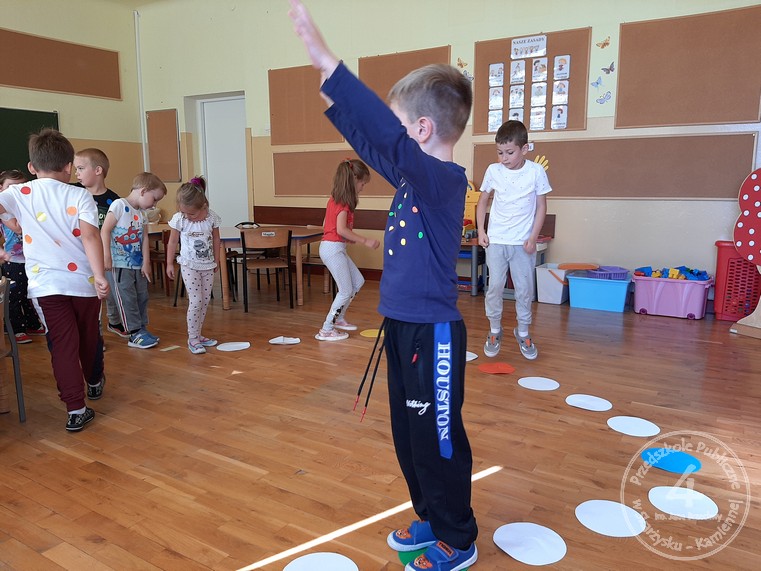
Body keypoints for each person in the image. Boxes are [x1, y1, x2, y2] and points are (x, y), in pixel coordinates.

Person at [288, 2, 478, 570]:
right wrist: (334, 95)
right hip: (399, 325)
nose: (394, 137)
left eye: (401, 125)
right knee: (409, 434)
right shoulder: (413, 176)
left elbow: (388, 146)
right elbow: (375, 147)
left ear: (422, 130)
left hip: (433, 333)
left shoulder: (442, 180)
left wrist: (331, 65)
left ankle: (458, 536)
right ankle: (431, 514)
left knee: (437, 439)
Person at [0, 129, 109, 432]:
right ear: (69, 167)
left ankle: (76, 409)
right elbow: (90, 236)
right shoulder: (80, 194)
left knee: (62, 344)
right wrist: (100, 276)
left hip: (45, 286)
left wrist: (8, 225)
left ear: (31, 167)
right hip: (84, 282)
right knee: (89, 336)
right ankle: (94, 380)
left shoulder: (20, 193)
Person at [476, 120, 551, 361]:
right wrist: (481, 230)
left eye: (509, 152)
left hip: (522, 243)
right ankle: (494, 330)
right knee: (495, 286)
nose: (504, 158)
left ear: (524, 149)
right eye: (500, 152)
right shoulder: (493, 170)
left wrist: (533, 237)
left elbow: (541, 207)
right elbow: (482, 201)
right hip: (497, 240)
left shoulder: (536, 172)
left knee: (524, 290)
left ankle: (524, 332)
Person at [315, 159, 380, 341]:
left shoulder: (334, 200)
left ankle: (339, 318)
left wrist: (345, 238)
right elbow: (341, 229)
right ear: (354, 180)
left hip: (335, 247)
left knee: (357, 281)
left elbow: (328, 225)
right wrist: (365, 240)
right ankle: (326, 329)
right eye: (362, 183)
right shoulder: (343, 204)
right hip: (332, 249)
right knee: (345, 290)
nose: (362, 188)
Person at [101, 171, 166, 349]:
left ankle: (141, 328)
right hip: (119, 265)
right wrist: (106, 256)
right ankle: (134, 332)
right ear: (143, 191)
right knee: (126, 298)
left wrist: (146, 262)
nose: (154, 204)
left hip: (137, 264)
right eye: (154, 199)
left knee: (141, 296)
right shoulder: (119, 205)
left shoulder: (142, 213)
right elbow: (105, 230)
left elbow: (144, 238)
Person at [73, 148, 128, 339]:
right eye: (75, 169)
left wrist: (109, 255)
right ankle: (95, 335)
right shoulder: (74, 193)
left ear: (98, 170)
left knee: (108, 292)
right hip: (80, 255)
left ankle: (114, 321)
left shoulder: (114, 201)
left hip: (106, 255)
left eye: (81, 168)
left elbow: (118, 231)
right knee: (89, 297)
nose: (76, 173)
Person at [165, 176, 220, 354]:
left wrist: (217, 260)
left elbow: (216, 239)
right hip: (189, 265)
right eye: (184, 212)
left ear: (204, 206)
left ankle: (198, 334)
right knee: (195, 301)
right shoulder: (180, 219)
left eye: (192, 214)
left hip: (207, 265)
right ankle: (192, 338)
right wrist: (169, 263)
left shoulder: (211, 218)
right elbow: (172, 242)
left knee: (205, 300)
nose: (187, 216)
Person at [0, 169, 45, 343]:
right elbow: (18, 228)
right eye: (11, 187)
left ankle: (32, 323)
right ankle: (15, 328)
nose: (16, 191)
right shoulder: (4, 211)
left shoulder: (27, 206)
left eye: (20, 187)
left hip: (32, 259)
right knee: (14, 295)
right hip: (13, 260)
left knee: (30, 293)